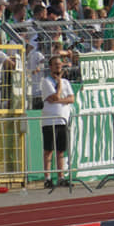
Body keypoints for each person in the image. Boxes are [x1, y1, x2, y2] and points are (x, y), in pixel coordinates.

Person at [41, 55, 75, 188]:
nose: (58, 67)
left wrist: (60, 100)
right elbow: (54, 96)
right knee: (48, 150)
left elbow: (71, 99)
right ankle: (47, 178)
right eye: (56, 64)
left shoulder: (66, 82)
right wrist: (59, 83)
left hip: (62, 120)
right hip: (50, 120)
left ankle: (61, 177)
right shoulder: (46, 81)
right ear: (51, 67)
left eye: (60, 64)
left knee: (61, 150)